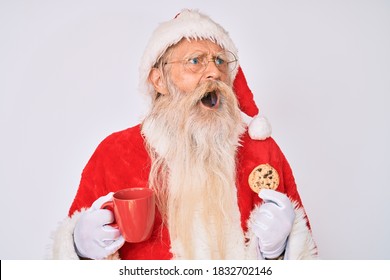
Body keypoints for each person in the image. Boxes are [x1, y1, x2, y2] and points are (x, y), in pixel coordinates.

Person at [51, 9, 318, 260]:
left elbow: (306, 257)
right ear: (159, 81)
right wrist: (79, 248)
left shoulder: (262, 152)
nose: (214, 72)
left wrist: (281, 250)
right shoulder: (115, 153)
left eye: (220, 61)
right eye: (195, 61)